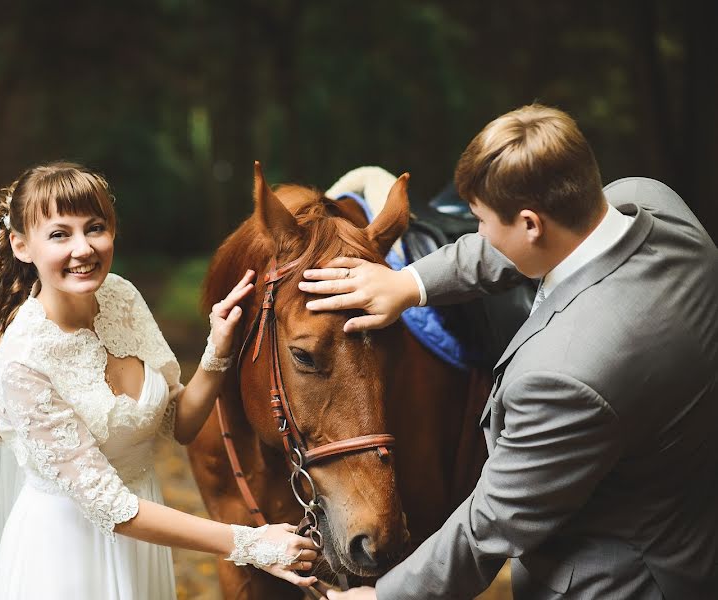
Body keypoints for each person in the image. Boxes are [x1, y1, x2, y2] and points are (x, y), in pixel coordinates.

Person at [300, 105, 718, 599]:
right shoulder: (653, 206)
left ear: (530, 224)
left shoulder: (567, 376)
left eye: (478, 220)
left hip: (616, 583)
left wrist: (385, 596)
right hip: (691, 536)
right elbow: (519, 246)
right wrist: (409, 283)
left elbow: (492, 523)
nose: (477, 234)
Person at [0, 162, 319, 599]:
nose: (84, 249)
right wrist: (250, 543)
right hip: (64, 556)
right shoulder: (23, 360)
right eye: (60, 234)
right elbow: (112, 508)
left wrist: (218, 348)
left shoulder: (121, 296)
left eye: (95, 228)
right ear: (21, 246)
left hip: (140, 546)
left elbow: (181, 424)